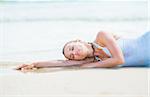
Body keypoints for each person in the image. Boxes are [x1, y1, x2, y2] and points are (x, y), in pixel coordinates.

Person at [16, 31, 150, 72]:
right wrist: (34, 63)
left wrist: (88, 66)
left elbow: (119, 60)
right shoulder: (92, 60)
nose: (75, 52)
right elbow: (60, 63)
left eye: (72, 48)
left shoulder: (101, 37)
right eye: (72, 56)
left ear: (78, 40)